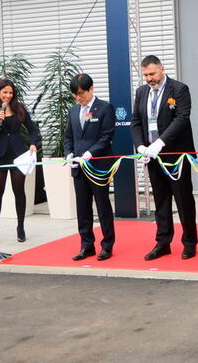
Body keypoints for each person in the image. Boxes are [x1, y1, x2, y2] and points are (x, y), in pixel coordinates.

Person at [131, 55, 198, 261]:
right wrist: (142, 145)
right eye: (145, 75)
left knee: (183, 199)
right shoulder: (142, 92)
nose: (149, 78)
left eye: (152, 73)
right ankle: (163, 242)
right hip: (152, 157)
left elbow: (181, 118)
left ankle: (189, 242)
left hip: (176, 155)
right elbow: (136, 122)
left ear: (161, 69)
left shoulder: (179, 89)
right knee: (160, 200)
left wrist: (160, 143)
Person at [63, 74, 116, 261]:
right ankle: (86, 245)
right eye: (75, 95)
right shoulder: (73, 111)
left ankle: (107, 245)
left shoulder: (105, 108)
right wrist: (69, 154)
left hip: (98, 165)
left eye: (81, 93)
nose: (78, 97)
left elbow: (106, 136)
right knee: (83, 208)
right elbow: (69, 137)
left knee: (102, 206)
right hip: (79, 167)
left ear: (91, 89)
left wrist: (90, 154)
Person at [0, 79, 40, 243]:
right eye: (5, 92)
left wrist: (33, 144)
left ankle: (20, 227)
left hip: (18, 155)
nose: (7, 95)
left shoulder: (19, 109)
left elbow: (33, 130)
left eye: (10, 92)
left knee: (19, 191)